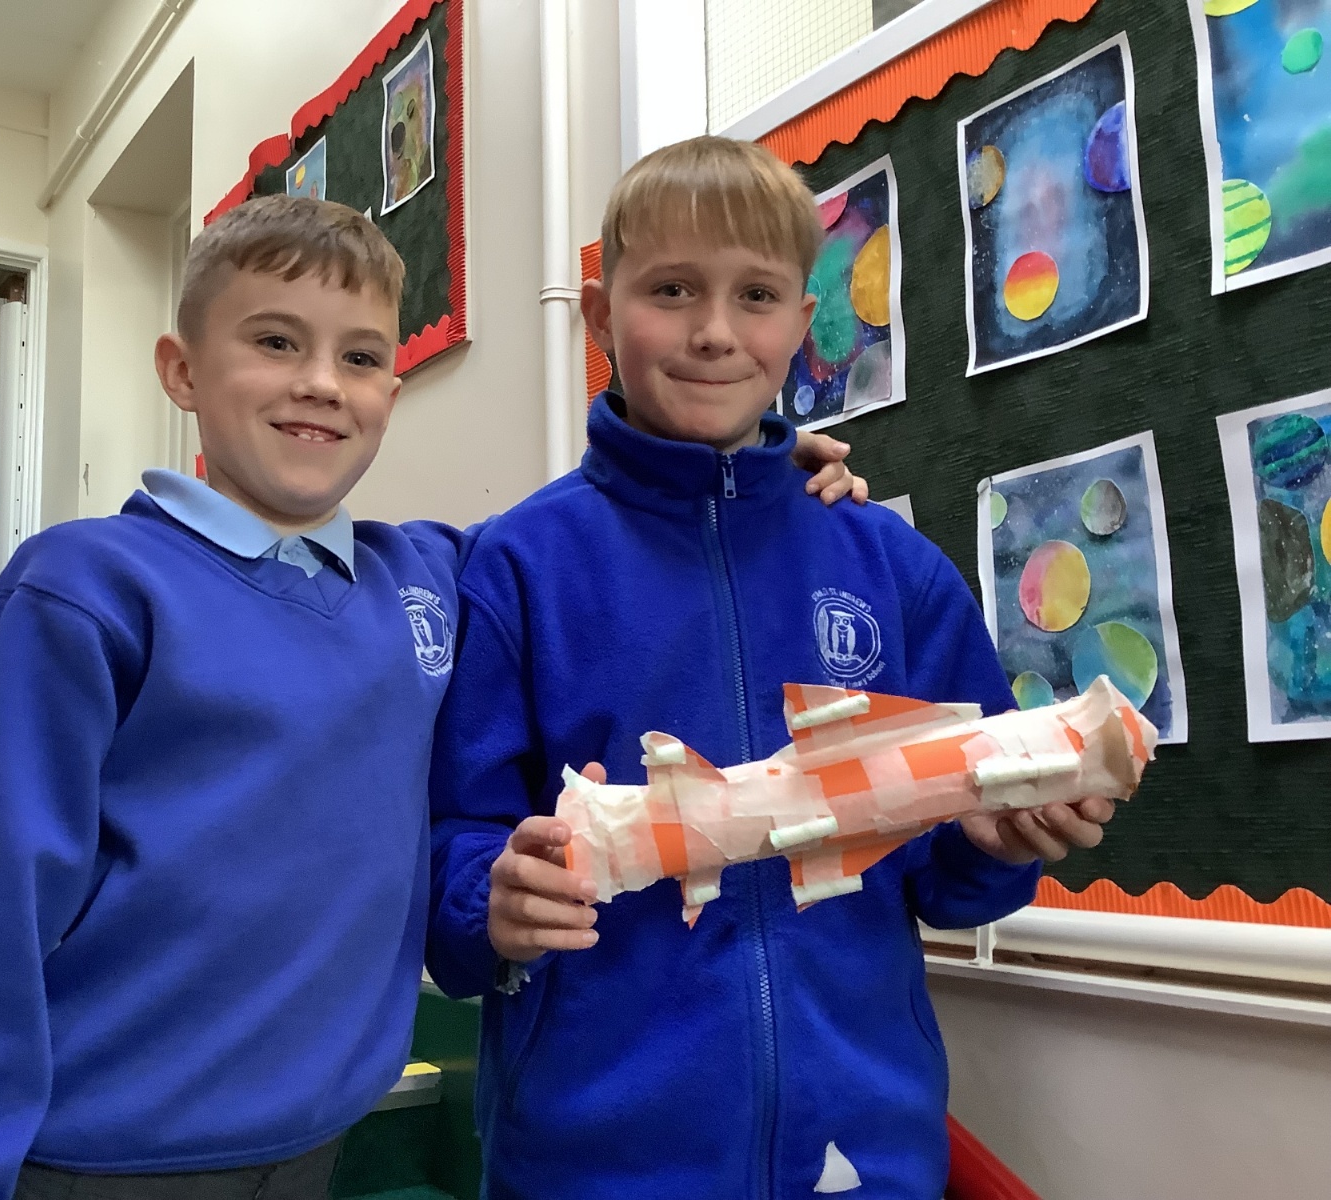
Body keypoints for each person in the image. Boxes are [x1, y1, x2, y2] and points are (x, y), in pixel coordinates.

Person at [0, 193, 865, 1200]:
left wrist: (750, 474)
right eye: (276, 342)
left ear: (391, 388)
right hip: (101, 1159)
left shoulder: (424, 576)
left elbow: (583, 536)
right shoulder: (88, 589)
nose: (321, 384)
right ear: (182, 370)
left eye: (362, 357)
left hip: (318, 1143)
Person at [425, 137, 1116, 1199]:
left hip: (858, 1158)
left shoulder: (892, 571)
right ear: (601, 316)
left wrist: (1001, 846)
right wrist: (491, 901)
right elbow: (454, 849)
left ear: (801, 322)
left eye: (755, 296)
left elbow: (952, 880)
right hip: (595, 1164)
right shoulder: (518, 569)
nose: (713, 330)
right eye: (671, 290)